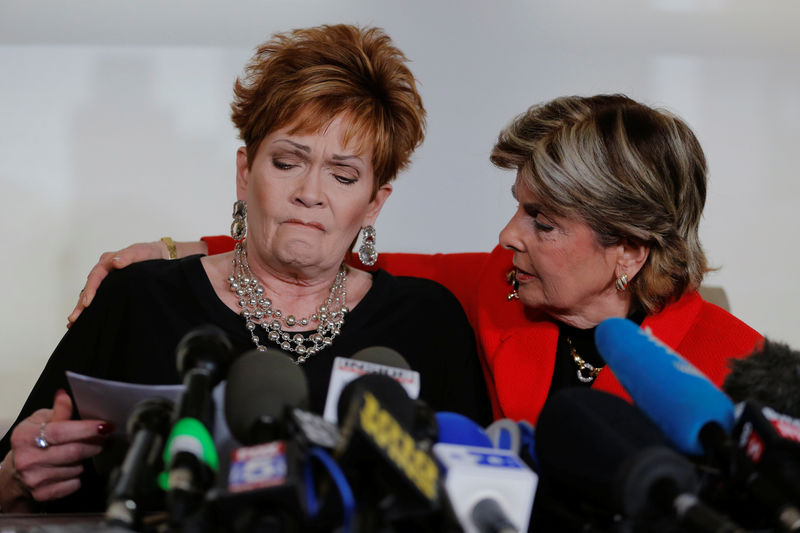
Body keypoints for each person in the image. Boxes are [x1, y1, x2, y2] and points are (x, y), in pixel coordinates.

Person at [0, 24, 491, 513]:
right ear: (244, 172)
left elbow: (476, 503)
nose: (311, 192)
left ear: (373, 204)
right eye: (286, 163)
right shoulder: (137, 299)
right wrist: (18, 476)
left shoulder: (429, 323)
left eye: (343, 175)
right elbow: (12, 474)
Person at [69, 94, 764, 427]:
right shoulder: (499, 284)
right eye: (517, 205)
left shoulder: (741, 365)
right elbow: (334, 246)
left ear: (629, 251)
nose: (508, 234)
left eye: (541, 220)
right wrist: (180, 251)